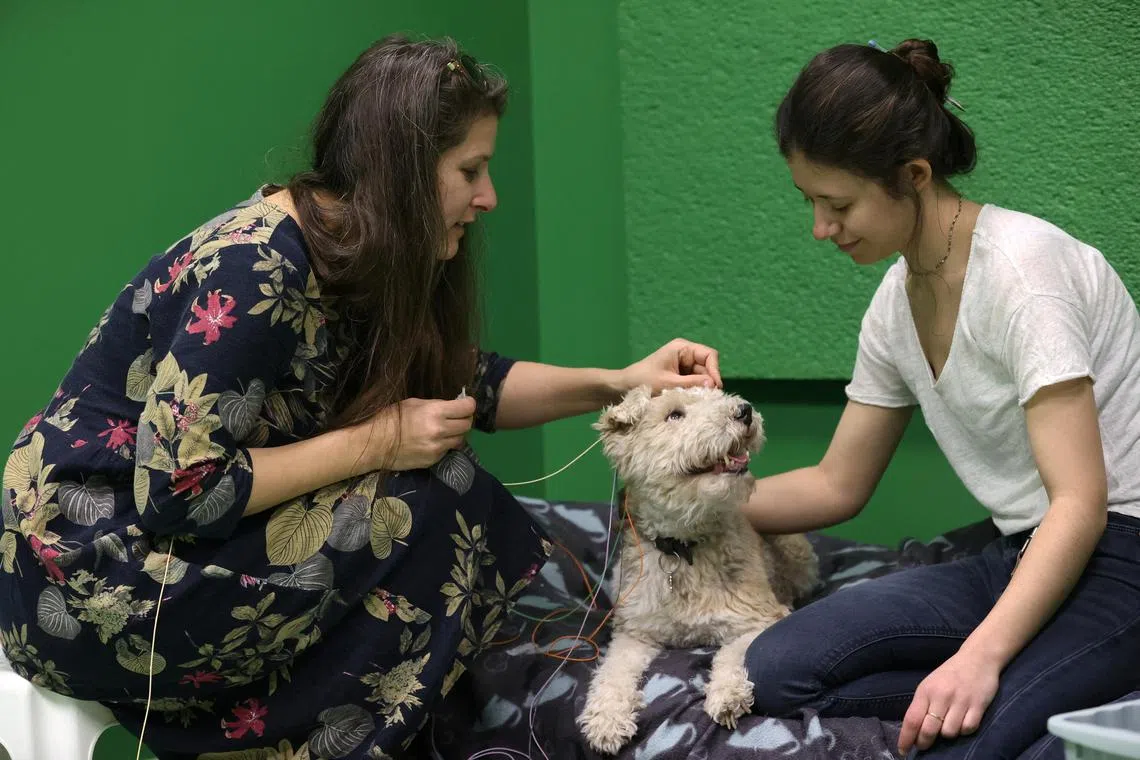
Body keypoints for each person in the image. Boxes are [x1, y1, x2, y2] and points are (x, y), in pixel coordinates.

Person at [0, 35, 723, 759]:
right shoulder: (258, 267)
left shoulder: (346, 247)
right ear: (404, 170)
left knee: (441, 489)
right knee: (440, 497)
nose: (489, 196)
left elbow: (470, 383)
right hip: (84, 582)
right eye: (470, 169)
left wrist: (622, 382)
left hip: (165, 551)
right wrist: (379, 440)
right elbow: (181, 491)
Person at [740, 38, 1140, 758]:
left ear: (914, 174)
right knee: (765, 672)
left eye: (838, 204)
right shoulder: (895, 303)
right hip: (1022, 552)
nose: (820, 229)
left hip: (1121, 553)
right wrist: (688, 502)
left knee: (970, 744)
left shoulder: (1026, 273)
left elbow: (1081, 503)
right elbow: (837, 484)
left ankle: (1057, 676)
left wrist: (980, 658)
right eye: (810, 202)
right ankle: (1047, 673)